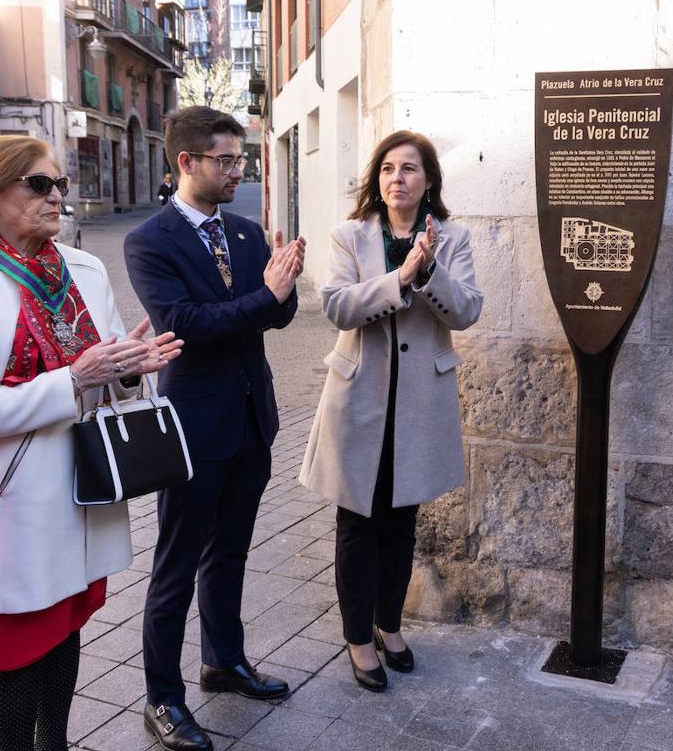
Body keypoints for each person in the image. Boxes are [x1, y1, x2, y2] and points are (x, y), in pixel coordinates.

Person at [0, 136, 182, 751]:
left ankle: (54, 743)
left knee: (65, 628)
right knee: (17, 649)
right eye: (39, 184)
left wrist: (130, 367)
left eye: (59, 183)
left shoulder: (83, 269)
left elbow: (105, 368)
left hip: (83, 483)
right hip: (10, 500)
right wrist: (76, 376)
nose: (56, 195)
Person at [125, 107, 305, 751]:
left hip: (253, 418)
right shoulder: (148, 242)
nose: (238, 171)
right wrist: (266, 296)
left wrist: (285, 288)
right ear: (187, 163)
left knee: (229, 553)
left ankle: (222, 662)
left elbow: (272, 322)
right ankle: (163, 700)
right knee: (176, 565)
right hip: (193, 427)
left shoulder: (250, 233)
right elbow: (187, 326)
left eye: (240, 161)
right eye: (227, 161)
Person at [299, 130, 483, 692]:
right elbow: (336, 307)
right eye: (386, 168)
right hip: (358, 403)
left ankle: (390, 624)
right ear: (376, 181)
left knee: (401, 524)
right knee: (357, 522)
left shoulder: (450, 238)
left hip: (418, 406)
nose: (396, 178)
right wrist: (399, 278)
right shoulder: (349, 236)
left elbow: (467, 311)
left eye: (409, 168)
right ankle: (358, 638)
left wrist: (429, 272)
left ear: (429, 181)